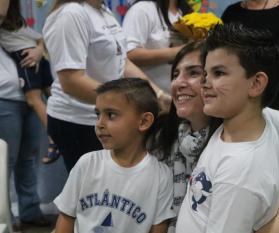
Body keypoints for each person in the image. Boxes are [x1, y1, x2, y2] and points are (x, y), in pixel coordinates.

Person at [150, 41, 279, 233]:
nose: (178, 82)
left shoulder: (253, 130)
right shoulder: (164, 135)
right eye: (175, 74)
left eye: (194, 73)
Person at [43, 0, 169, 172]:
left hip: (108, 115)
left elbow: (123, 62)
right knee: (95, 192)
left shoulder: (103, 11)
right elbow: (72, 81)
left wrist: (157, 94)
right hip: (79, 120)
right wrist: (128, 104)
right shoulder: (71, 14)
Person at [54, 78, 175, 233]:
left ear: (144, 121)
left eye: (111, 115)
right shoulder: (87, 163)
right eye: (98, 114)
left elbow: (158, 229)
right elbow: (66, 217)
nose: (99, 124)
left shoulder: (161, 176)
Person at [0, 0, 49, 232]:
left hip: (29, 95)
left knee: (28, 157)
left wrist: (39, 50)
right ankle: (4, 218)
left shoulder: (15, 24)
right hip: (4, 99)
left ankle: (29, 211)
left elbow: (40, 37)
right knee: (4, 161)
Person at [221, 0, 279, 116]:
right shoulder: (231, 12)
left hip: (274, 99)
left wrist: (269, 56)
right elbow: (219, 52)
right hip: (236, 97)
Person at [0, 0, 60, 164]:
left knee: (34, 100)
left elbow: (41, 39)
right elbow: (40, 38)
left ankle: (55, 139)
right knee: (53, 96)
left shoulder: (10, 23)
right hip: (38, 61)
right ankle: (62, 131)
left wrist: (38, 51)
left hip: (26, 60)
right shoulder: (17, 23)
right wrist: (40, 50)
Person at [122, 0, 193, 93]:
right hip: (151, 98)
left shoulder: (187, 12)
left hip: (182, 96)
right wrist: (182, 51)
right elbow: (129, 55)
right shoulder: (142, 9)